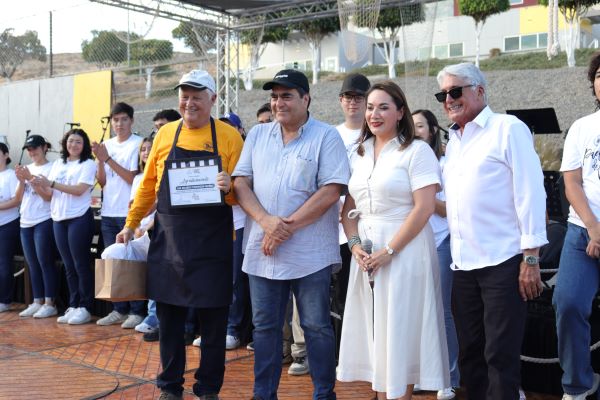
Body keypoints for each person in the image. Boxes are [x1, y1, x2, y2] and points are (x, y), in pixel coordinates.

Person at [116, 69, 243, 400]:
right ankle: (170, 387)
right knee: (169, 322)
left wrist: (229, 187)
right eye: (184, 97)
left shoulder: (230, 137)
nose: (189, 103)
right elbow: (148, 186)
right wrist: (130, 223)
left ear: (213, 99)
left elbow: (243, 191)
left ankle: (209, 388)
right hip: (169, 243)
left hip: (213, 247)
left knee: (213, 324)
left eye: (197, 97)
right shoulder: (165, 134)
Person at [233, 69, 349, 400]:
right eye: (274, 97)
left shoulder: (326, 136)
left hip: (310, 254)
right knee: (265, 328)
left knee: (316, 326)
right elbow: (240, 182)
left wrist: (285, 228)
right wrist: (266, 221)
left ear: (305, 99)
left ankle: (324, 395)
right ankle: (263, 395)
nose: (278, 103)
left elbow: (332, 190)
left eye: (286, 96)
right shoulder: (257, 135)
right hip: (263, 251)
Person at [436, 62, 547, 400]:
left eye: (456, 91)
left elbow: (531, 192)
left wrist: (530, 257)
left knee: (500, 355)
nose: (449, 99)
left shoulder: (507, 128)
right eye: (443, 94)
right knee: (471, 355)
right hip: (463, 264)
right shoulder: (454, 141)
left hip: (503, 261)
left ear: (480, 91)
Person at [337, 81, 449, 400]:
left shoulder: (416, 151)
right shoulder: (358, 153)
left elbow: (424, 208)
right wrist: (354, 245)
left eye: (383, 107)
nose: (374, 114)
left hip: (406, 251)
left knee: (401, 332)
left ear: (400, 113)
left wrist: (389, 250)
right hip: (367, 256)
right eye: (371, 107)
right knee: (375, 333)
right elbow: (348, 210)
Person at [554, 51, 600, 400]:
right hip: (581, 231)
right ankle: (578, 385)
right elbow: (572, 183)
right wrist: (593, 227)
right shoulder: (582, 128)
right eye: (599, 76)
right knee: (568, 302)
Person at [412, 109, 458, 400]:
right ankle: (422, 373)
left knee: (442, 310)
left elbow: (451, 210)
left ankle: (448, 377)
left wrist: (423, 199)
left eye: (420, 125)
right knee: (418, 311)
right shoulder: (407, 161)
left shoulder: (444, 164)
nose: (415, 130)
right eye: (411, 125)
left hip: (441, 241)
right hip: (413, 244)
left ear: (432, 130)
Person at [33, 129, 97, 325]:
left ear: (84, 145)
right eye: (70, 141)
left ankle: (86, 307)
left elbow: (79, 190)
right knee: (68, 266)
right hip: (58, 218)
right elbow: (49, 194)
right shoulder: (58, 164)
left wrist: (51, 183)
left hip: (79, 218)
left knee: (80, 264)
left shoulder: (88, 164)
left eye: (78, 142)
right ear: (65, 143)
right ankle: (73, 304)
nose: (73, 145)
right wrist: (34, 183)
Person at [93, 102, 145, 329]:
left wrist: (107, 159)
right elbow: (102, 181)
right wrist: (100, 159)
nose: (119, 124)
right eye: (115, 120)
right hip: (108, 212)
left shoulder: (138, 143)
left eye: (124, 119)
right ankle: (118, 309)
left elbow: (133, 178)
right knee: (112, 261)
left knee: (131, 261)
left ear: (131, 120)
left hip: (129, 213)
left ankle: (137, 311)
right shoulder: (106, 145)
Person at [16, 135, 58, 318]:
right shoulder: (27, 168)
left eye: (35, 148)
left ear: (44, 148)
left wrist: (30, 178)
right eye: (29, 149)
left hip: (44, 219)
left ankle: (50, 303)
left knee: (45, 261)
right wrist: (21, 180)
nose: (32, 152)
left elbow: (48, 196)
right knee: (32, 263)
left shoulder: (52, 167)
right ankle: (37, 300)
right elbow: (19, 197)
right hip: (25, 220)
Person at [219, 111, 249, 351]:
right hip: (214, 225)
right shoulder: (212, 152)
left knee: (235, 281)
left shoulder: (246, 153)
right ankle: (216, 329)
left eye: (231, 127)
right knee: (216, 278)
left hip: (239, 223)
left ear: (240, 130)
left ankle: (233, 330)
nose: (226, 132)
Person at [0, 143, 20, 313]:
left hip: (7, 224)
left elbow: (16, 200)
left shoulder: (11, 175)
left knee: (4, 262)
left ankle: (4, 300)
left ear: (6, 155)